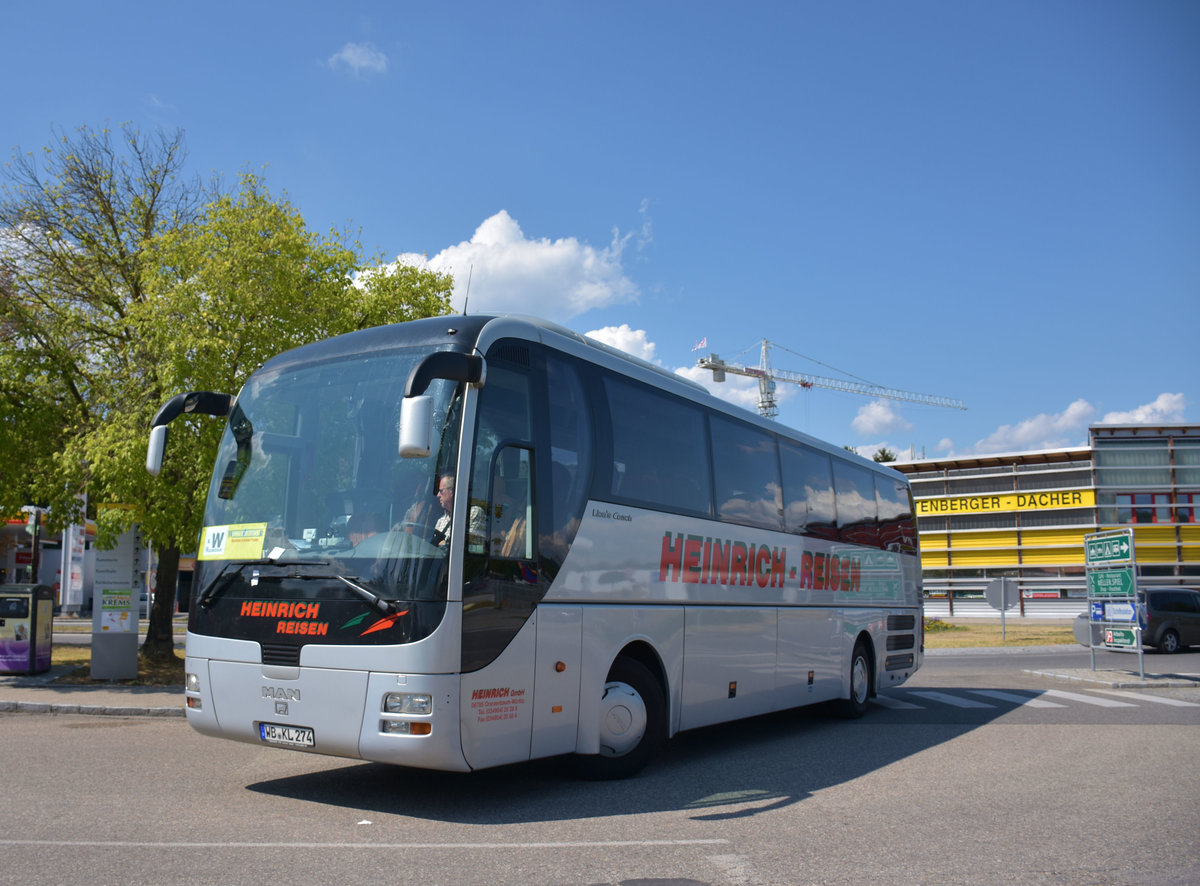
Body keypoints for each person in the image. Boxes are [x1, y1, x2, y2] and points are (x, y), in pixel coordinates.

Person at [431, 475, 485, 550]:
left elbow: (462, 546)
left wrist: (444, 544)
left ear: (452, 491)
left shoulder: (473, 512)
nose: (438, 495)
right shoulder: (440, 521)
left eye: (441, 491)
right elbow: (433, 548)